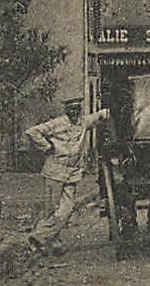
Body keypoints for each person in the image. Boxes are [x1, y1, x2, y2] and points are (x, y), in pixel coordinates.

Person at [25, 97, 111, 256]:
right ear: (66, 110)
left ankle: (37, 236)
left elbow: (100, 115)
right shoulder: (56, 123)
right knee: (51, 210)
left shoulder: (83, 123)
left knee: (66, 210)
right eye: (71, 109)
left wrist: (107, 112)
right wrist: (47, 147)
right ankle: (51, 243)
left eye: (77, 109)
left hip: (72, 173)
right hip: (54, 172)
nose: (74, 112)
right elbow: (32, 132)